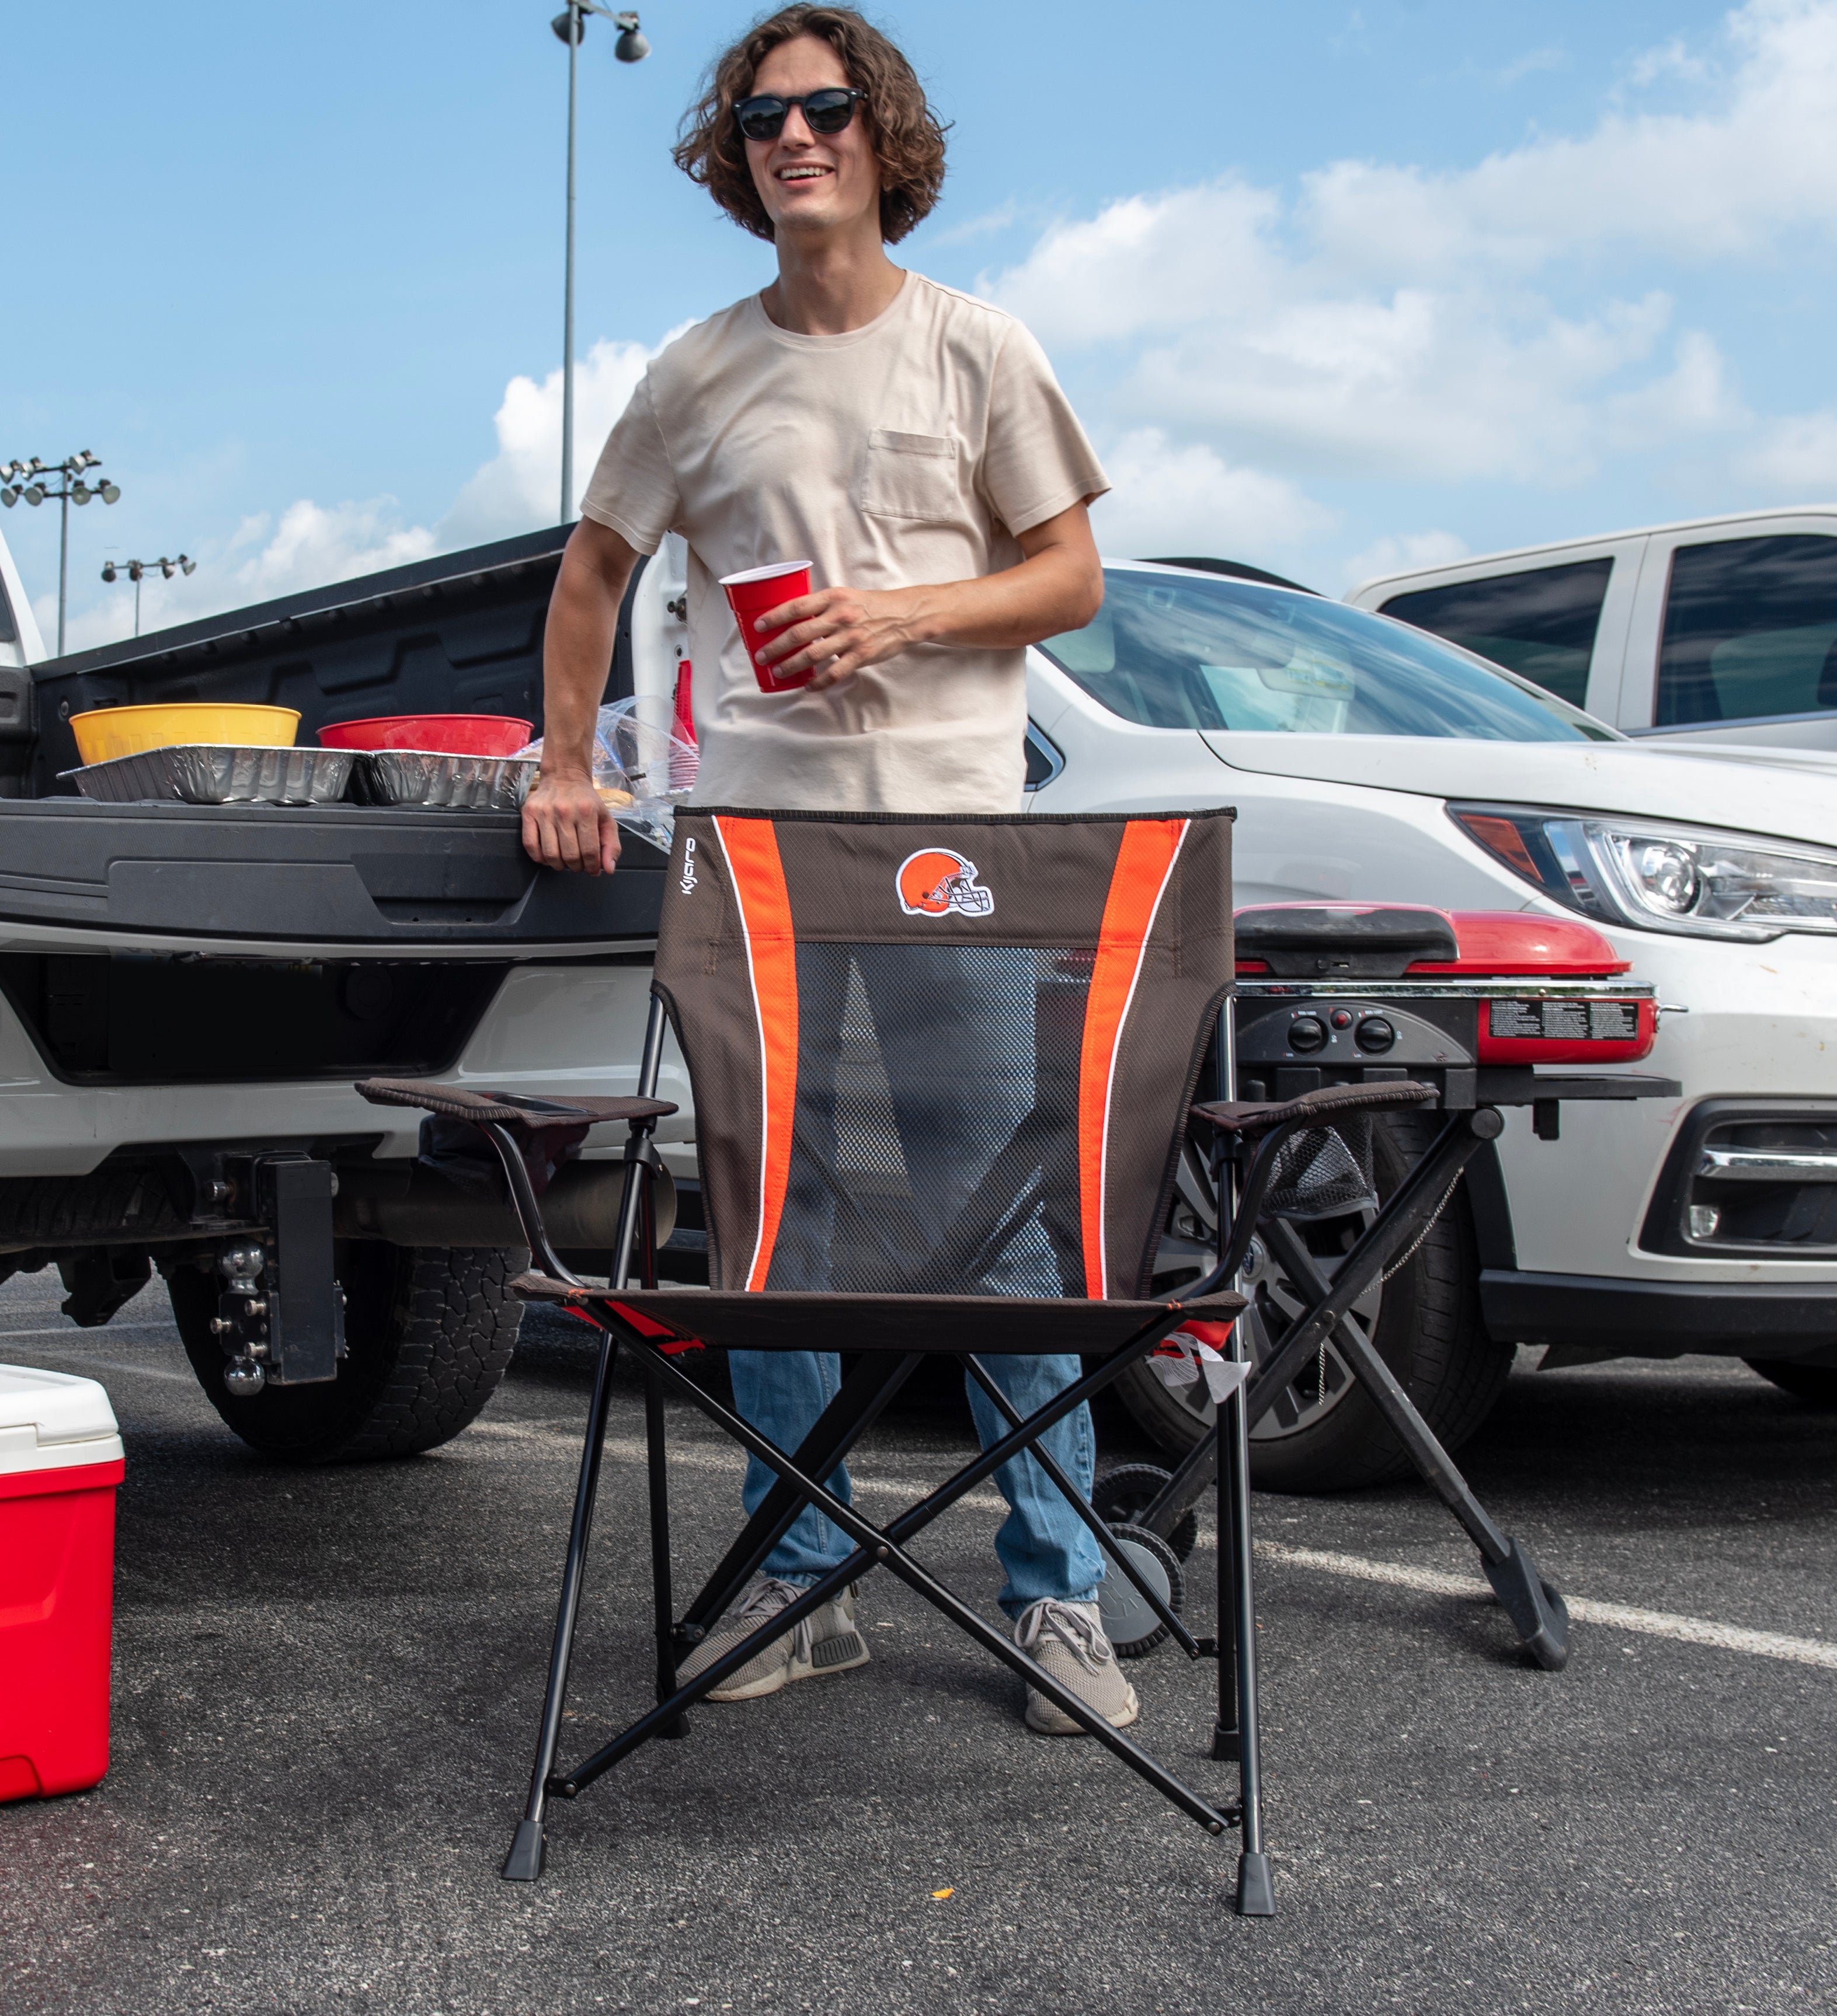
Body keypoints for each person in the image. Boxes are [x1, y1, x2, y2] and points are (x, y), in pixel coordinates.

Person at [521, 5, 1130, 1736]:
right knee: (775, 1228)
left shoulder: (976, 347)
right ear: (737, 153)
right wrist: (569, 763)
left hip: (960, 857)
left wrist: (911, 608)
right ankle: (797, 1577)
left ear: (885, 137)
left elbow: (1071, 574)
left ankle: (1059, 1595)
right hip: (760, 859)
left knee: (1002, 1229)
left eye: (828, 107)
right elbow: (592, 573)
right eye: (765, 114)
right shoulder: (696, 372)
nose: (796, 133)